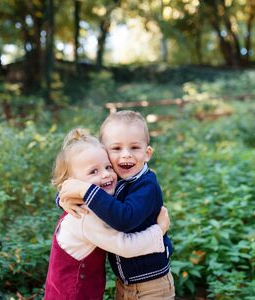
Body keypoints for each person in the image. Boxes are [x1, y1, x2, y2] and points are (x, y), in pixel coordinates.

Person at [59, 111, 175, 299]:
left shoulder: (146, 186)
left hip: (152, 284)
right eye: (116, 148)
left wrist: (85, 191)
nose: (126, 155)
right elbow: (84, 190)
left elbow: (124, 219)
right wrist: (64, 198)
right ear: (104, 153)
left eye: (135, 147)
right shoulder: (113, 179)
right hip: (124, 283)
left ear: (147, 153)